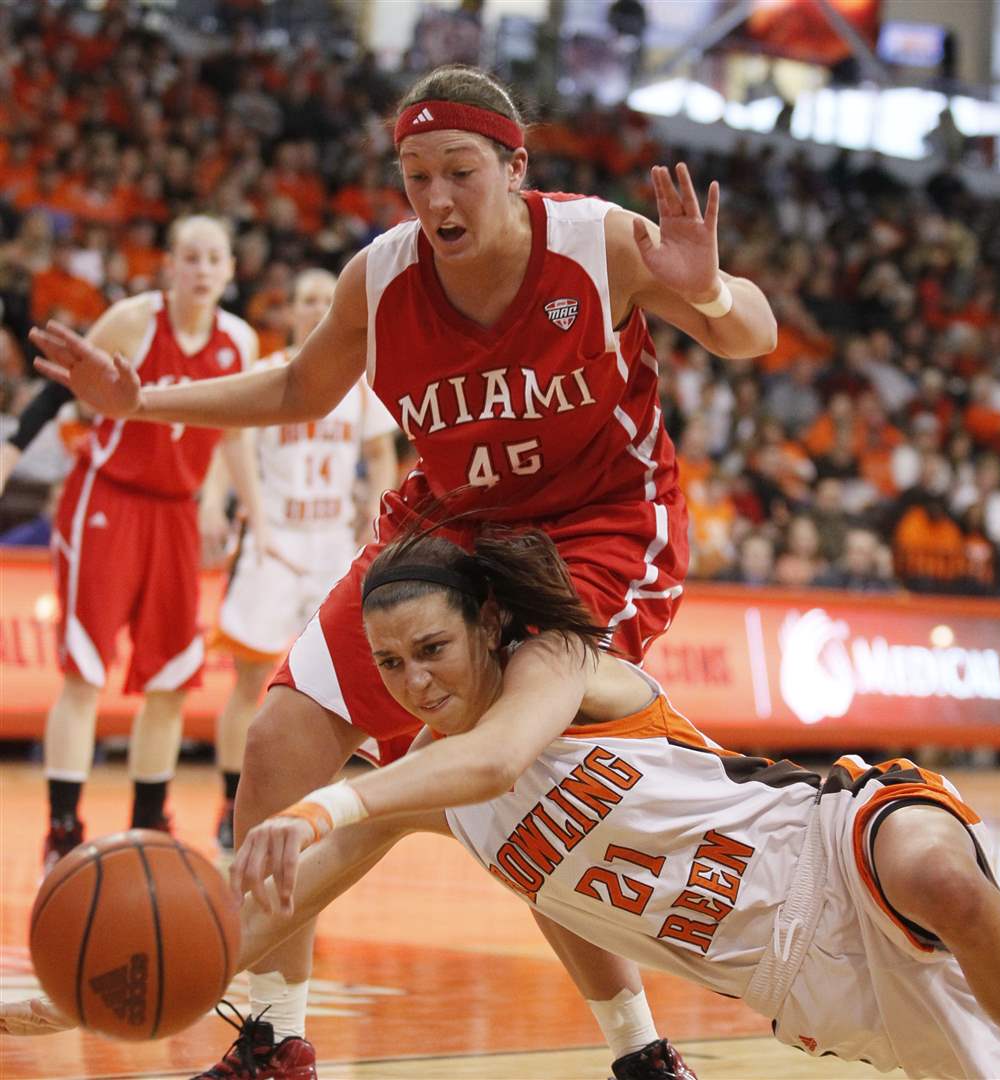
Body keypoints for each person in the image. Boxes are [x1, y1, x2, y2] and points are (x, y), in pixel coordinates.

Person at [28, 64, 777, 1076]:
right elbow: (300, 385)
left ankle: (639, 1050)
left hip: (597, 527)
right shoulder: (379, 277)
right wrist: (145, 403)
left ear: (516, 168)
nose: (434, 199)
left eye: (458, 172)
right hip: (449, 523)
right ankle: (274, 1037)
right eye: (413, 174)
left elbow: (750, 337)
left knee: (516, 775)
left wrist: (713, 291)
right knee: (285, 730)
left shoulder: (598, 243)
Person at [4, 520, 1000, 1080]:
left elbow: (499, 758)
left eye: (434, 648)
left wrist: (332, 803)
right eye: (390, 665)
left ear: (485, 624)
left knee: (942, 873)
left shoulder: (560, 660)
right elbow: (266, 917)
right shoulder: (424, 780)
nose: (418, 682)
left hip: (830, 839)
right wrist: (88, 997)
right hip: (810, 983)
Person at [17, 215, 266, 872]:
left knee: (172, 680)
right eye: (191, 255)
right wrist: (14, 447)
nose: (203, 268)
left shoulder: (238, 340)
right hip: (108, 499)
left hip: (176, 512)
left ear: (230, 272)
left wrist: (225, 503)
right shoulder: (134, 321)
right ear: (169, 266)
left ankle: (148, 828)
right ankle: (64, 830)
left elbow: (230, 432)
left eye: (215, 256)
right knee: (83, 674)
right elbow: (59, 381)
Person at [204, 268, 399, 856]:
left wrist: (376, 518)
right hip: (277, 540)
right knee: (247, 679)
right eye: (306, 298)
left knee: (335, 683)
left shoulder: (360, 383)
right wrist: (234, 510)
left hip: (332, 543)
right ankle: (230, 800)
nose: (317, 306)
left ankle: (316, 808)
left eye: (324, 297)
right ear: (289, 312)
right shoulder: (269, 376)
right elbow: (229, 443)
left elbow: (380, 455)